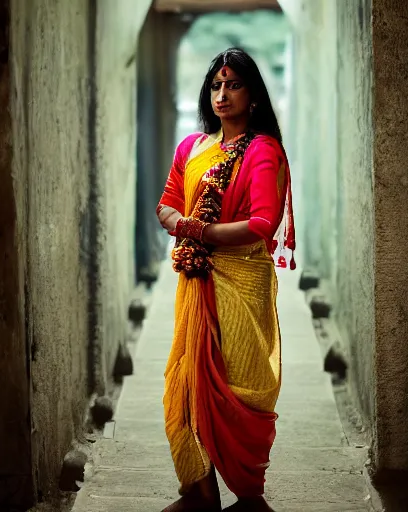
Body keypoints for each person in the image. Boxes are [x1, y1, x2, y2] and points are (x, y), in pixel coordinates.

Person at [156, 48, 295, 512]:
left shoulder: (262, 151)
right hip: (197, 281)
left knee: (237, 386)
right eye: (216, 85)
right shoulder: (192, 149)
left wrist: (196, 229)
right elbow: (167, 203)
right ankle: (200, 491)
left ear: (252, 95)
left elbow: (261, 224)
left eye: (233, 84)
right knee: (191, 379)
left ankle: (249, 496)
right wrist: (185, 225)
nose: (222, 93)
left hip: (242, 280)